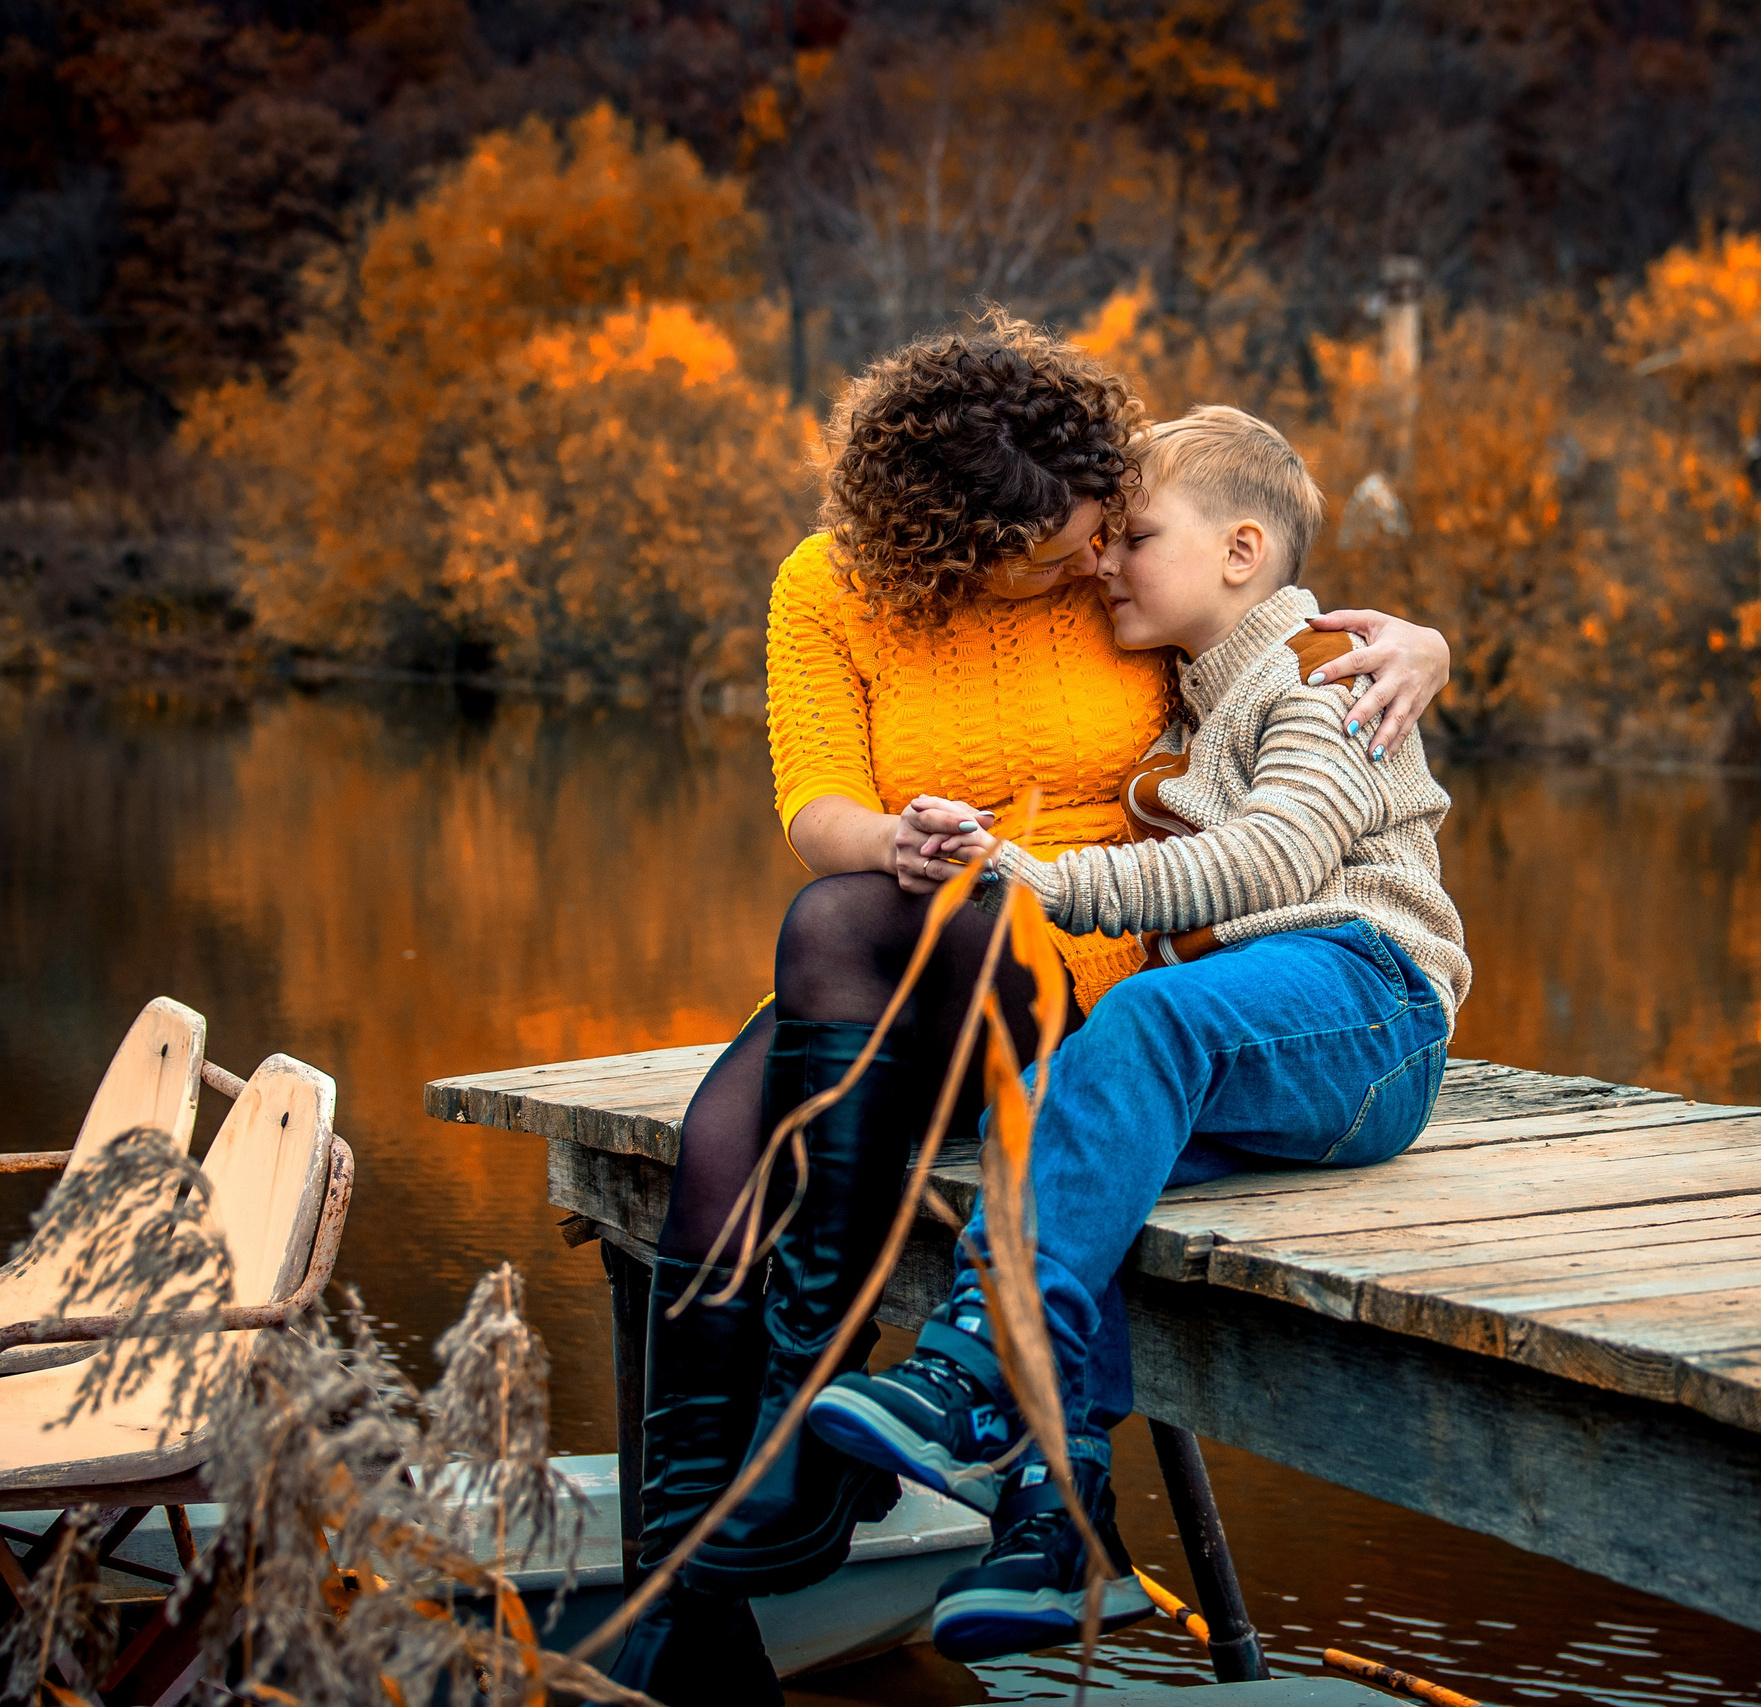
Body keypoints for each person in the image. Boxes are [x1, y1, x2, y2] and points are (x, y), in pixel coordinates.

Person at [611, 321, 1456, 1705]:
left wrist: (1421, 641)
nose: (1096, 563)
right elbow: (814, 803)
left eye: (1111, 537)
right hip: (911, 925)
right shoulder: (837, 592)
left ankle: (893, 1429)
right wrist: (896, 841)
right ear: (962, 540)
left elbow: (1266, 604)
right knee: (723, 1139)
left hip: (1086, 947)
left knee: (1019, 1032)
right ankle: (703, 1569)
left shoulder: (1141, 591)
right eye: (1069, 547)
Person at [806, 405, 1471, 1662]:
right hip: (1257, 1033)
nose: (1104, 560)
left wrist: (1041, 879)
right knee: (1064, 1111)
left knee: (1142, 1020)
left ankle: (968, 1370)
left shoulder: (1322, 680)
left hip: (1367, 1001)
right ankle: (1060, 1525)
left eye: (1135, 537)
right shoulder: (1192, 693)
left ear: (1237, 551)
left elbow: (1275, 854)